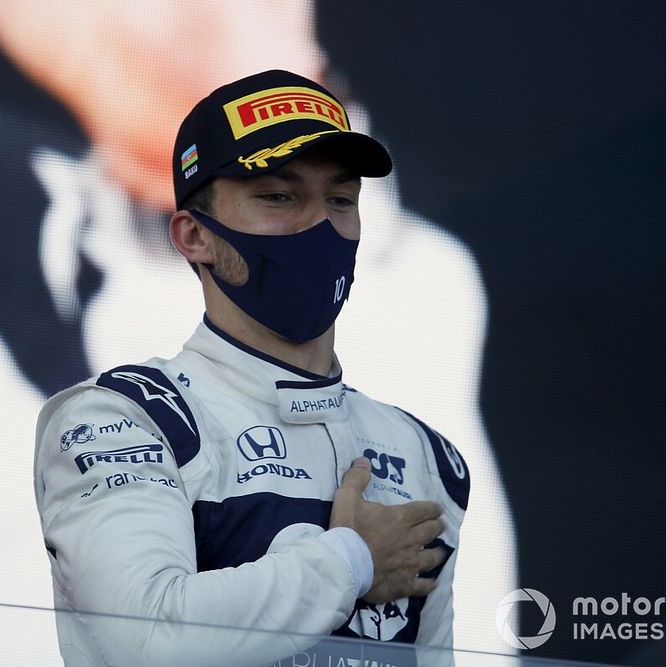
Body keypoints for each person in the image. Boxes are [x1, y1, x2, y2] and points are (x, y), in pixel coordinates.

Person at [34, 69, 470, 667]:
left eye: (340, 200)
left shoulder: (423, 455)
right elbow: (140, 642)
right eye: (278, 196)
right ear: (194, 236)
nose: (319, 224)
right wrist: (352, 561)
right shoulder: (126, 418)